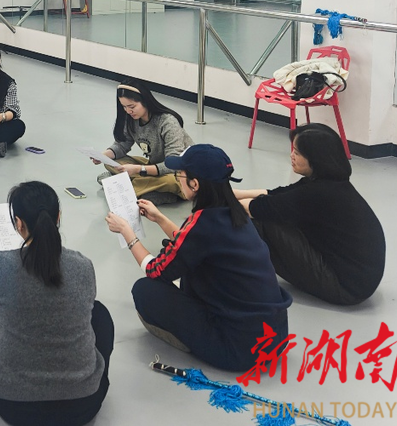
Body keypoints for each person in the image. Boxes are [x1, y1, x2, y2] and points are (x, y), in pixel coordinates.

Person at [105, 144, 292, 372]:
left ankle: (191, 341)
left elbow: (155, 270)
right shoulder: (237, 215)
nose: (178, 179)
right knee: (190, 267)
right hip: (275, 338)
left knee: (144, 290)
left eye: (180, 175)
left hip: (239, 350)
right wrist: (160, 218)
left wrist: (128, 233)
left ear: (195, 184)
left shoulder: (202, 223)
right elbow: (195, 244)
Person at [0, 182, 112, 426]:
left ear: (18, 223)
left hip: (15, 407)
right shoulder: (82, 265)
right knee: (99, 313)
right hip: (84, 404)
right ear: (58, 217)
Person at [233, 123, 385, 305]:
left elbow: (258, 208)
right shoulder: (329, 181)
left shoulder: (318, 193)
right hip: (358, 281)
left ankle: (235, 273)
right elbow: (277, 194)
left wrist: (218, 199)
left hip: (346, 289)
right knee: (275, 211)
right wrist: (233, 193)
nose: (291, 155)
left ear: (315, 159)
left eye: (297, 153)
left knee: (261, 221)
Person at [96, 78, 193, 203]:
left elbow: (173, 164)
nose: (128, 111)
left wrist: (139, 169)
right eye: (124, 107)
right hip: (153, 166)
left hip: (179, 173)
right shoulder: (131, 119)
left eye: (132, 106)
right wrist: (102, 156)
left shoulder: (167, 122)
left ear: (145, 101)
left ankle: (123, 185)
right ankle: (143, 188)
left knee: (169, 181)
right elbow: (122, 145)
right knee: (111, 162)